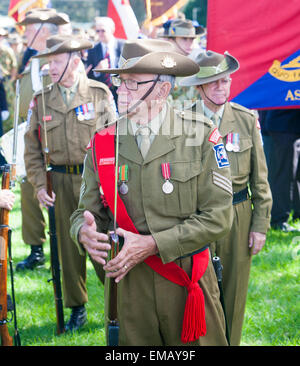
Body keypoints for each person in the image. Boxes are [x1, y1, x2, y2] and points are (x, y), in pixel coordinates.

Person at [70, 38, 234, 346]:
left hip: (186, 281)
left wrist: (153, 243)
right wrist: (83, 231)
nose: (120, 90)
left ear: (161, 88)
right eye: (120, 82)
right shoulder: (104, 142)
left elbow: (219, 217)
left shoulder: (200, 136)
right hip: (131, 288)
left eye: (132, 83)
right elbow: (85, 211)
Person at [24, 34, 116, 332]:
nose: (51, 67)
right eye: (49, 62)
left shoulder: (99, 94)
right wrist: (39, 185)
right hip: (59, 182)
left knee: (103, 241)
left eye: (57, 61)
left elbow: (115, 141)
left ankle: (119, 303)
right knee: (66, 247)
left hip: (96, 184)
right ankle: (77, 308)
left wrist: (110, 182)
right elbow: (32, 149)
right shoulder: (41, 100)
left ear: (75, 62)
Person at [180, 49, 273, 345]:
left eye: (226, 81)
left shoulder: (246, 120)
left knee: (232, 292)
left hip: (238, 213)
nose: (222, 87)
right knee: (199, 290)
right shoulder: (182, 122)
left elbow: (260, 179)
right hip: (198, 215)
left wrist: (259, 225)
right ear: (199, 87)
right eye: (214, 82)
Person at [16, 8, 70, 271]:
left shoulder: (56, 67)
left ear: (44, 31)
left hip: (57, 142)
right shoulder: (29, 64)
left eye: (30, 27)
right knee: (29, 191)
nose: (24, 31)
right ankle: (36, 249)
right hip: (30, 142)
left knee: (59, 198)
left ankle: (66, 250)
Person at [263, 109, 300, 231]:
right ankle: (278, 220)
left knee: (293, 173)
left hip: (289, 124)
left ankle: (296, 214)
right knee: (283, 175)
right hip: (283, 124)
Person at [159, 18, 205, 107]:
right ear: (171, 40)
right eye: (184, 39)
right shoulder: (159, 66)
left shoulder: (195, 65)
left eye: (192, 39)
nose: (189, 43)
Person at [84, 17, 124, 101]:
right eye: (97, 31)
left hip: (122, 91)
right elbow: (89, 76)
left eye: (103, 30)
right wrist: (97, 71)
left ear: (112, 30)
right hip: (102, 94)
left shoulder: (124, 46)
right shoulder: (93, 50)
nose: (100, 34)